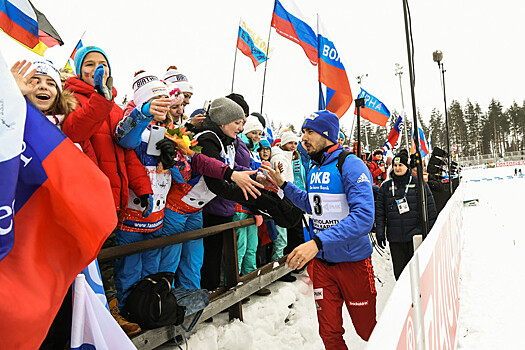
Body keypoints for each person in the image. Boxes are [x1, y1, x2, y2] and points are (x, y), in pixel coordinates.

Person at [261, 110, 378, 349]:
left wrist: (317, 243)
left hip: (353, 263)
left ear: (327, 135)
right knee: (329, 333)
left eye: (310, 132)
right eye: (303, 131)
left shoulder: (350, 164)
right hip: (323, 266)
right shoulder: (314, 169)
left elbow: (364, 217)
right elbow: (312, 205)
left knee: (369, 331)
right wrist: (283, 185)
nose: (304, 138)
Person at [61, 46, 153, 336]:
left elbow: (126, 152)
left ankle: (109, 315)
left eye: (103, 64)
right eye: (90, 65)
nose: (97, 69)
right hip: (85, 199)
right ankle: (83, 323)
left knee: (108, 260)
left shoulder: (113, 107)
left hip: (113, 200)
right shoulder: (69, 99)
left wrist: (143, 188)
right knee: (87, 263)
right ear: (79, 70)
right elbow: (75, 131)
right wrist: (100, 98)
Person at [113, 71, 173, 308]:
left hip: (157, 215)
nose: (162, 107)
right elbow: (126, 139)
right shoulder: (132, 123)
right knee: (129, 267)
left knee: (152, 267)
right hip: (132, 213)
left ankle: (148, 306)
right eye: (155, 101)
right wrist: (143, 113)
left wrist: (172, 159)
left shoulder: (168, 131)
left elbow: (181, 173)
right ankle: (127, 308)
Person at [375, 149, 438, 280]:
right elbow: (380, 213)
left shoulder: (418, 183)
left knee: (418, 274)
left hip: (415, 236)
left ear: (406, 166)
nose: (397, 168)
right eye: (395, 166)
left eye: (400, 165)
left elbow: (430, 210)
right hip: (395, 239)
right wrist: (380, 232)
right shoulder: (385, 188)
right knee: (400, 275)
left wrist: (430, 232)